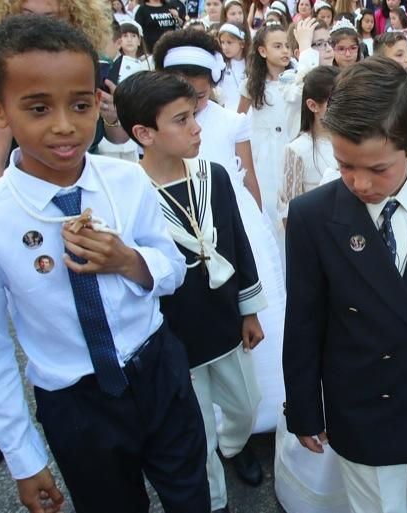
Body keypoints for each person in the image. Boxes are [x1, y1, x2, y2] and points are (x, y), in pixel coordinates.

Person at [0, 15, 210, 513]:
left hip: (157, 371)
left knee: (192, 492)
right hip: (77, 402)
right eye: (38, 108)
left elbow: (171, 268)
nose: (64, 125)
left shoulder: (125, 182)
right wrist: (22, 456)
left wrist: (130, 261)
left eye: (81, 105)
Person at [283, 56, 407, 513]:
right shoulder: (312, 215)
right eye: (344, 165)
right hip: (359, 397)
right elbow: (303, 320)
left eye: (378, 169)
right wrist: (303, 407)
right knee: (375, 504)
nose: (359, 182)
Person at [114, 70, 268, 513]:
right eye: (181, 120)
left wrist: (249, 309)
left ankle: (234, 447)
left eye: (194, 115)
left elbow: (237, 241)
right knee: (192, 429)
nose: (197, 128)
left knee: (245, 404)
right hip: (174, 334)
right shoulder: (128, 193)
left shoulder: (212, 174)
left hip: (223, 321)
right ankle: (213, 499)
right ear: (144, 133)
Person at [154, 27, 287, 474]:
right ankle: (211, 434)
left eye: (199, 75)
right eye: (180, 75)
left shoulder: (230, 121)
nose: (192, 86)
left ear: (212, 76)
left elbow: (246, 177)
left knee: (253, 327)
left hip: (234, 225)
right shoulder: (159, 125)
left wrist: (261, 226)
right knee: (201, 336)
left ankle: (248, 428)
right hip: (184, 234)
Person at [0, 0, 127, 193]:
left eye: (51, 18)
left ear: (76, 19)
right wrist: (0, 214)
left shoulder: (93, 61)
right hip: (25, 193)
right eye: (26, 15)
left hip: (91, 186)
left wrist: (112, 115)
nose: (36, 26)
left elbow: (119, 139)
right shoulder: (0, 70)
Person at [238, 23, 294, 226]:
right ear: (262, 51)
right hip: (264, 151)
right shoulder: (252, 85)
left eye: (287, 45)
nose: (285, 51)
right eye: (277, 46)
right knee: (269, 204)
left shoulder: (297, 80)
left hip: (290, 143)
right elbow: (239, 119)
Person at [277, 66, 340, 222]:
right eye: (334, 102)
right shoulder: (297, 150)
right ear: (313, 105)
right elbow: (290, 211)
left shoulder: (354, 141)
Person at [216, 22, 250, 110]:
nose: (225, 47)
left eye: (229, 42)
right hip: (226, 112)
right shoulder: (220, 64)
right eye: (222, 42)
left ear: (242, 44)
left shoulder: (251, 63)